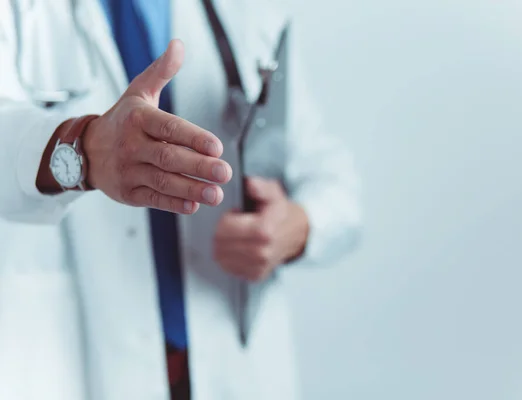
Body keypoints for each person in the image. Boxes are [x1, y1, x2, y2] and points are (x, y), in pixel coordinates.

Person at [0, 1, 361, 399]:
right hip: (69, 364)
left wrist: (298, 226)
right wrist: (80, 147)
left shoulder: (245, 12)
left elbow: (333, 181)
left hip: (234, 362)